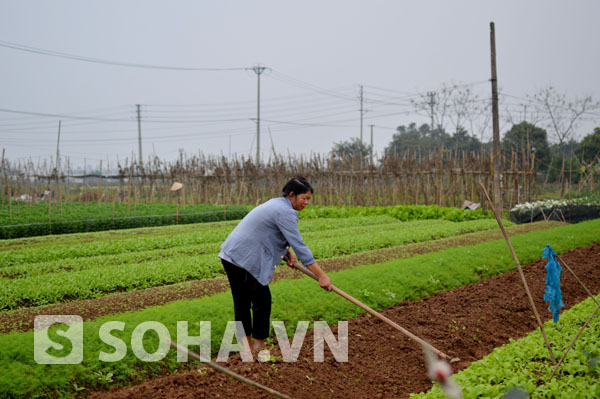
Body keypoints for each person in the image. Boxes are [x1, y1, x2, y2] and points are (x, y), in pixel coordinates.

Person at [219, 176, 333, 352]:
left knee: (245, 301)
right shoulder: (285, 211)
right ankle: (256, 346)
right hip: (242, 258)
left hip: (232, 254)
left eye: (309, 199)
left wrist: (286, 252)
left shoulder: (277, 204)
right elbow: (300, 246)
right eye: (304, 198)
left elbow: (268, 231)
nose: (307, 202)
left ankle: (249, 347)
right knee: (260, 300)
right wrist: (321, 276)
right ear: (292, 195)